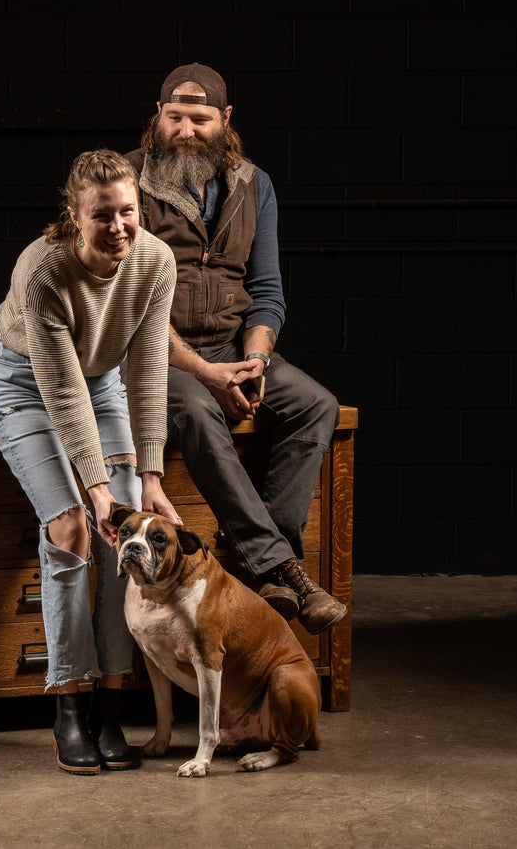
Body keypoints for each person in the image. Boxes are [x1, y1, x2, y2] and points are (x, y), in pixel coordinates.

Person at [125, 62, 347, 635]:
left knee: (316, 404)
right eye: (174, 118)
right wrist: (206, 373)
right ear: (158, 116)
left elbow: (267, 292)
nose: (185, 131)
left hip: (232, 347)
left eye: (199, 119)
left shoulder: (255, 183)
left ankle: (263, 573)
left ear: (224, 120)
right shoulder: (128, 180)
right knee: (199, 411)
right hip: (153, 357)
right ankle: (280, 569)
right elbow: (130, 306)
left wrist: (255, 360)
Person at [0, 148, 180, 775]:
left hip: (106, 385)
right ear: (73, 216)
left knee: (129, 532)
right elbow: (61, 387)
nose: (119, 227)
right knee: (72, 530)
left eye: (129, 212)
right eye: (103, 215)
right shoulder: (40, 270)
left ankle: (110, 704)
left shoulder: (154, 260)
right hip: (24, 386)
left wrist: (149, 476)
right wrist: (96, 488)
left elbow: (148, 370)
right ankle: (68, 703)